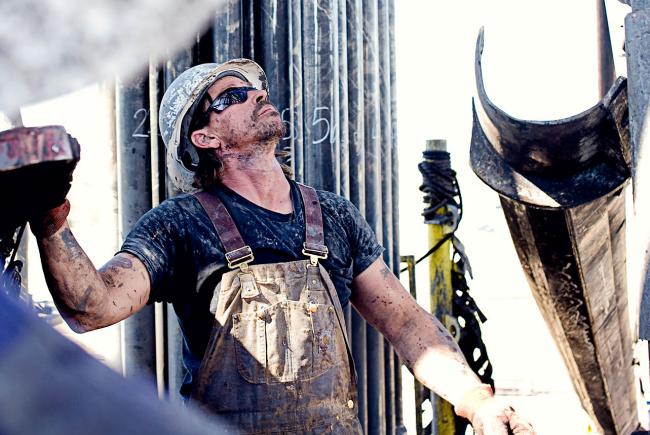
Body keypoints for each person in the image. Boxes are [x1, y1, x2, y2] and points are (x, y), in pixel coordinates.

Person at [31, 58, 535, 435]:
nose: (255, 95)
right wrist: (52, 221)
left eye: (255, 88)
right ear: (205, 138)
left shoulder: (333, 217)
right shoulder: (179, 226)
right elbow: (92, 307)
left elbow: (405, 324)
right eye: (232, 96)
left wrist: (475, 400)